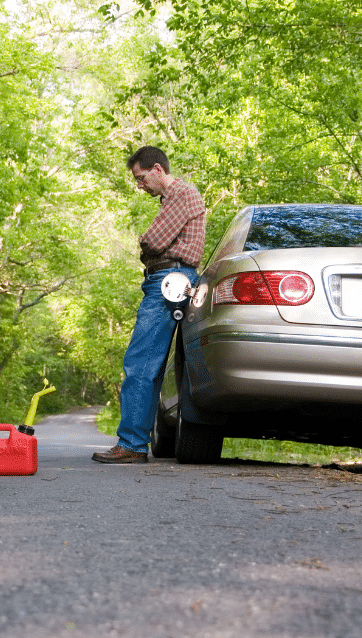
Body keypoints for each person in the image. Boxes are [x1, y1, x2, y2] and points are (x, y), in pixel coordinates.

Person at [92, 146, 207, 464]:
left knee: (140, 362)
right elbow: (156, 241)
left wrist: (147, 242)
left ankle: (131, 443)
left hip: (169, 278)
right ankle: (134, 441)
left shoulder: (180, 192)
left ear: (157, 169)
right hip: (169, 278)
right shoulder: (173, 198)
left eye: (141, 178)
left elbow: (153, 241)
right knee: (151, 366)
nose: (139, 185)